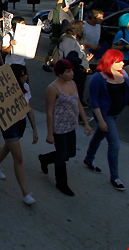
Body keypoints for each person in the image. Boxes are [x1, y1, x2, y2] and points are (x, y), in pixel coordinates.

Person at [84, 50, 129, 191]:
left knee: (99, 135)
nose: (123, 63)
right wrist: (101, 120)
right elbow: (94, 101)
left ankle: (88, 158)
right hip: (105, 114)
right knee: (114, 144)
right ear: (111, 62)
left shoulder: (123, 74)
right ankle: (115, 177)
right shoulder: (98, 78)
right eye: (119, 61)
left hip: (116, 113)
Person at [0, 64, 38, 205]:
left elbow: (29, 109)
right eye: (22, 75)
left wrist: (35, 130)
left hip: (21, 124)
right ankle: (25, 193)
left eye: (26, 74)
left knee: (9, 146)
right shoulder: (5, 89)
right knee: (18, 158)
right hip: (9, 125)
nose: (26, 77)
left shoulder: (26, 88)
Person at [38, 59, 93, 196]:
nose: (72, 74)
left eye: (72, 71)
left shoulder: (73, 83)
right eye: (68, 71)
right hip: (59, 127)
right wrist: (50, 133)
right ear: (60, 73)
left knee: (70, 153)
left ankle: (45, 159)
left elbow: (78, 103)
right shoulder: (52, 88)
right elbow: (49, 112)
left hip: (71, 124)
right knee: (62, 155)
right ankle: (61, 183)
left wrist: (86, 122)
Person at [42, 0, 82, 72]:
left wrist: (78, 6)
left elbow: (73, 14)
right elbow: (57, 7)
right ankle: (45, 64)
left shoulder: (67, 14)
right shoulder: (57, 13)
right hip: (57, 36)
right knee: (52, 51)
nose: (67, 8)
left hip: (64, 36)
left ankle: (57, 64)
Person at [58, 20, 93, 110]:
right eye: (82, 28)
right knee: (74, 89)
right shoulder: (68, 40)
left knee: (79, 88)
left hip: (79, 69)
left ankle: (79, 103)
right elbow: (70, 56)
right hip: (75, 70)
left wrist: (85, 59)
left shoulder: (74, 39)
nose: (83, 30)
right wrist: (81, 60)